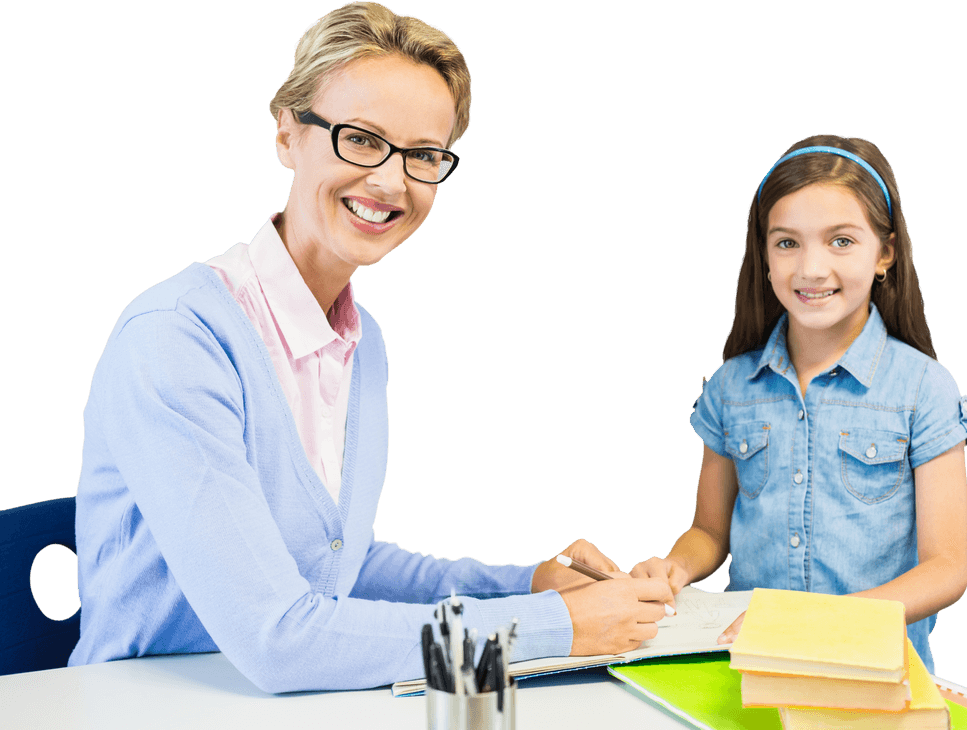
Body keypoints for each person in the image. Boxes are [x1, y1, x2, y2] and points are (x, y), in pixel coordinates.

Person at [68, 2, 672, 693]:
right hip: (143, 705)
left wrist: (532, 583)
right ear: (288, 134)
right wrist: (555, 628)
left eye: (422, 156)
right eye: (360, 139)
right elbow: (279, 639)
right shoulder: (179, 337)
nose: (390, 181)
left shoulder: (362, 340)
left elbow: (334, 566)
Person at [630, 134, 967, 674]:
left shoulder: (924, 389)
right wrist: (672, 569)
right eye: (787, 243)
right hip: (753, 672)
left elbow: (948, 566)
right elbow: (708, 532)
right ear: (763, 254)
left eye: (841, 241)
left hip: (878, 679)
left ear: (885, 253)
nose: (811, 269)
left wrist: (822, 625)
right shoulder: (730, 386)